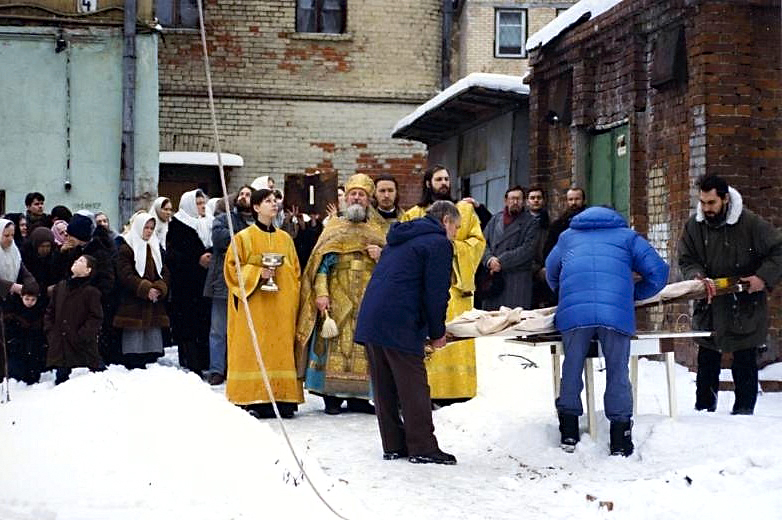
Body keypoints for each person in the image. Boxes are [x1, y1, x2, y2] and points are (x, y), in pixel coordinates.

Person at [546, 206, 668, 456]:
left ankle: (568, 431)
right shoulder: (627, 237)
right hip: (615, 313)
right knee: (617, 371)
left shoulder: (568, 236)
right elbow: (658, 272)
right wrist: (633, 295)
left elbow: (550, 271)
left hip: (574, 312)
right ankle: (620, 438)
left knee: (571, 367)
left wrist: (567, 292)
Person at [355, 200, 460, 465]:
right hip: (400, 320)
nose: (456, 234)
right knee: (413, 386)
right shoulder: (438, 243)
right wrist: (437, 332)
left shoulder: (401, 236)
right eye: (456, 228)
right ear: (446, 220)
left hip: (373, 317)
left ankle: (393, 444)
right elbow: (435, 293)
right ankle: (423, 446)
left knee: (385, 386)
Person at [678, 175, 782, 415]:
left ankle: (744, 413)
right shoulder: (694, 225)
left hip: (743, 302)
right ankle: (703, 410)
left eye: (711, 203)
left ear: (725, 198)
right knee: (707, 359)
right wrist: (696, 276)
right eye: (703, 203)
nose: (707, 208)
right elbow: (686, 257)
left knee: (745, 359)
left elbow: (778, 249)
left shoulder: (750, 223)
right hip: (710, 303)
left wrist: (762, 278)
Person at [295, 173, 386, 415]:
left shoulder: (378, 230)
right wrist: (321, 294)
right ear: (346, 199)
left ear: (369, 200)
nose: (357, 198)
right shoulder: (333, 228)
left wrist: (382, 254)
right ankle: (331, 397)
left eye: (362, 195)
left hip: (367, 296)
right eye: (353, 194)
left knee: (362, 347)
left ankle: (358, 397)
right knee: (334, 344)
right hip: (337, 295)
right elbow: (320, 265)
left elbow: (391, 266)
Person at [401, 165, 486, 405]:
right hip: (424, 288)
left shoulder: (465, 211)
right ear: (428, 183)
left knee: (456, 334)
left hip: (457, 289)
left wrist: (451, 249)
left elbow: (477, 243)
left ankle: (459, 391)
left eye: (447, 179)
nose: (444, 183)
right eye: (438, 179)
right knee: (428, 335)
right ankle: (427, 390)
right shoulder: (414, 214)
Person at [225, 189, 303, 418]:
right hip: (255, 305)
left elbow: (295, 270)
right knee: (252, 348)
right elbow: (231, 269)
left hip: (280, 307)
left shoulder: (285, 238)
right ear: (256, 207)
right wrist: (259, 272)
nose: (273, 204)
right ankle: (252, 397)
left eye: (275, 200)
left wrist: (281, 273)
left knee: (279, 349)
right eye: (267, 201)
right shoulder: (243, 238)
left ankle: (282, 398)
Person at [203, 186, 254, 385]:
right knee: (218, 329)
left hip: (250, 282)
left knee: (244, 329)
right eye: (241, 194)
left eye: (248, 194)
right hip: (223, 281)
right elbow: (220, 239)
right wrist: (247, 238)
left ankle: (239, 366)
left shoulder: (260, 223)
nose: (243, 197)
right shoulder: (224, 219)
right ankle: (217, 369)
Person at [113, 213, 170, 370]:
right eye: (146, 227)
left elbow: (164, 271)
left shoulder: (155, 247)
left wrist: (159, 288)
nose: (149, 231)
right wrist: (145, 289)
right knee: (134, 341)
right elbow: (125, 274)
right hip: (133, 300)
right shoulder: (127, 247)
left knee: (151, 340)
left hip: (153, 301)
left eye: (152, 228)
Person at [167, 189, 213, 376]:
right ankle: (191, 362)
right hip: (186, 284)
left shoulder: (208, 222)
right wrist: (196, 259)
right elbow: (174, 255)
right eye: (198, 203)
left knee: (205, 322)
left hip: (206, 282)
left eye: (203, 203)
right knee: (188, 324)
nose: (202, 207)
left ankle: (205, 361)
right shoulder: (177, 224)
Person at [45, 254, 104, 385]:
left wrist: (82, 335)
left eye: (81, 261)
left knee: (86, 383)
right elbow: (50, 311)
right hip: (60, 344)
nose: (76, 261)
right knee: (60, 383)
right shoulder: (61, 286)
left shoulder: (91, 291)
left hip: (81, 346)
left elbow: (96, 317)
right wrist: (51, 331)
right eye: (76, 260)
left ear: (88, 270)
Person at [480, 186, 539, 310]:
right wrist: (489, 260)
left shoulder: (531, 222)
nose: (515, 202)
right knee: (492, 321)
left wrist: (501, 261)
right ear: (506, 201)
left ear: (523, 201)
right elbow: (482, 243)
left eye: (518, 199)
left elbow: (527, 250)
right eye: (512, 199)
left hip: (517, 281)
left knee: (514, 322)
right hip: (493, 280)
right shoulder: (495, 219)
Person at [4, 281, 46, 384]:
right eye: (27, 299)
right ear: (21, 297)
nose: (29, 302)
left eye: (33, 300)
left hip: (34, 345)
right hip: (17, 345)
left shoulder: (40, 312)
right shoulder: (13, 311)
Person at [527, 187, 554, 308]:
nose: (536, 200)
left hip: (545, 269)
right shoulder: (522, 222)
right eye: (532, 198)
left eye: (539, 198)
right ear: (527, 201)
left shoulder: (550, 223)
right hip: (526, 269)